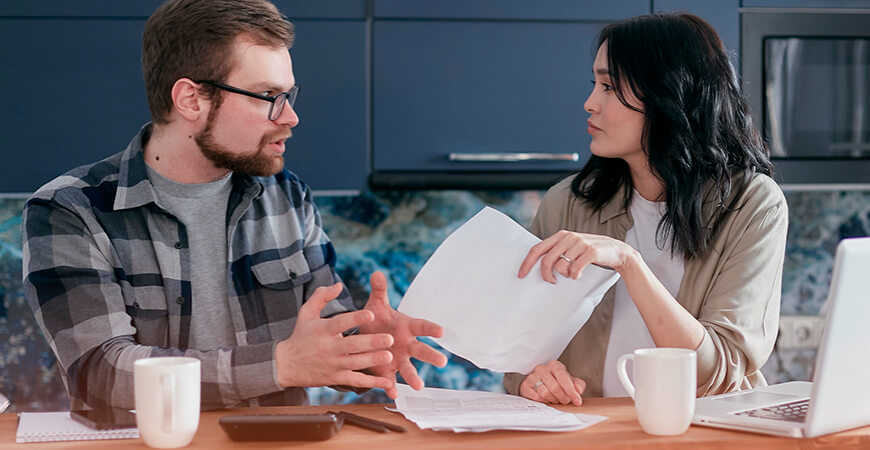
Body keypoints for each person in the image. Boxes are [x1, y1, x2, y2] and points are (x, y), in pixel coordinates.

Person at [22, 0, 446, 411]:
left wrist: (369, 343)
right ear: (191, 100)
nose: (290, 117)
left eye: (289, 95)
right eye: (267, 95)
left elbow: (321, 340)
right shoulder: (70, 210)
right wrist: (279, 366)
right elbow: (102, 373)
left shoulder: (285, 195)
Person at [504, 13, 788, 406]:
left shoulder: (751, 204)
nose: (589, 103)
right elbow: (519, 350)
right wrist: (531, 378)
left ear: (668, 95)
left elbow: (715, 374)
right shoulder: (566, 202)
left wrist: (629, 263)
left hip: (705, 433)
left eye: (609, 86)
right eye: (595, 84)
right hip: (596, 432)